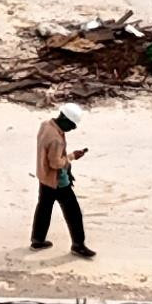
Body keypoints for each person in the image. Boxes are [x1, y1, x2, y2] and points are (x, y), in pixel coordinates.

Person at [30, 104, 94, 258]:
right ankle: (78, 245)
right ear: (64, 119)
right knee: (73, 213)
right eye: (71, 125)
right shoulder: (56, 139)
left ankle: (37, 240)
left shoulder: (45, 125)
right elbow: (55, 163)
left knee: (44, 208)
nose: (73, 128)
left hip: (43, 177)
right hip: (57, 180)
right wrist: (71, 157)